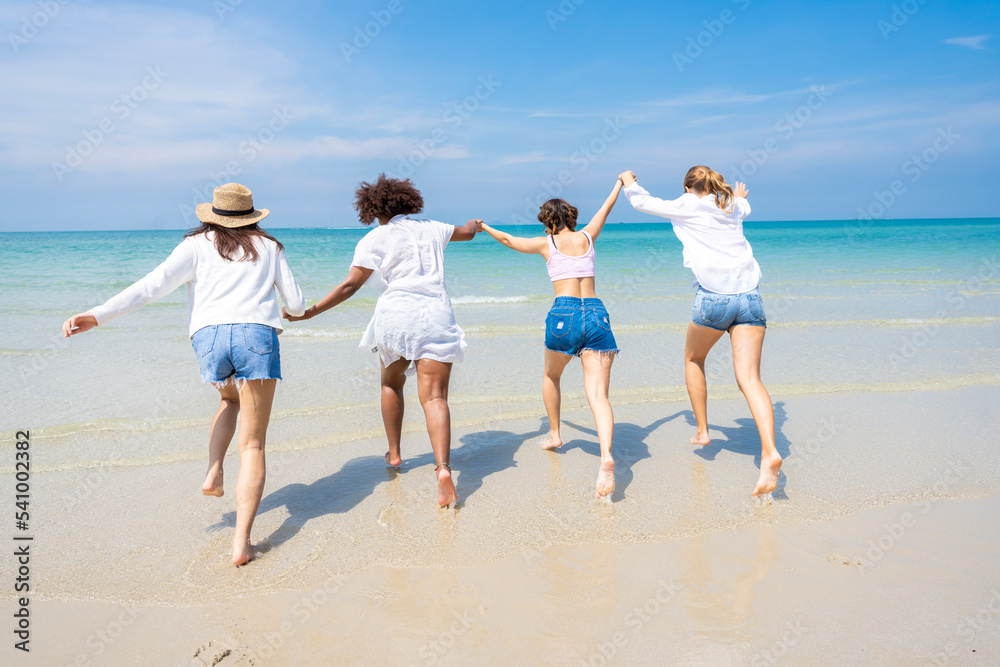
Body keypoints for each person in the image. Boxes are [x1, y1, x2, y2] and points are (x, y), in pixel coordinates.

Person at [61, 183, 305, 564]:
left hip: (208, 338)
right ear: (251, 214)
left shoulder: (195, 245)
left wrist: (98, 315)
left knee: (228, 399)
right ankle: (242, 544)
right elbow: (296, 302)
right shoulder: (270, 247)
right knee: (253, 444)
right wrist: (290, 310)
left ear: (213, 214)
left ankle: (213, 471)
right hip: (255, 335)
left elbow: (152, 286)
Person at [283, 174, 478, 508]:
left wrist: (310, 313)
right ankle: (443, 468)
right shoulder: (434, 227)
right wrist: (476, 223)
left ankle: (396, 454)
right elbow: (468, 232)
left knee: (392, 385)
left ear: (371, 208)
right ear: (409, 201)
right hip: (435, 316)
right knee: (434, 398)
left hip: (396, 319)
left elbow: (350, 286)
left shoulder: (374, 238)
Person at [619, 166, 781, 500]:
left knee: (694, 359)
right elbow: (743, 206)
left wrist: (629, 182)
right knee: (750, 379)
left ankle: (704, 431)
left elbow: (643, 203)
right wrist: (738, 197)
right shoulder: (732, 206)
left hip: (714, 299)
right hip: (751, 297)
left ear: (687, 187)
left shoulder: (687, 205)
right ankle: (770, 452)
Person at [477, 179, 624, 501]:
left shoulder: (547, 244)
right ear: (571, 218)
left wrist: (484, 226)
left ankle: (556, 434)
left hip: (564, 314)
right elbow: (606, 208)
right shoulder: (588, 236)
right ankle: (606, 455)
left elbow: (508, 240)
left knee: (551, 375)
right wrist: (619, 183)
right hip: (598, 314)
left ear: (547, 222)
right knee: (599, 396)